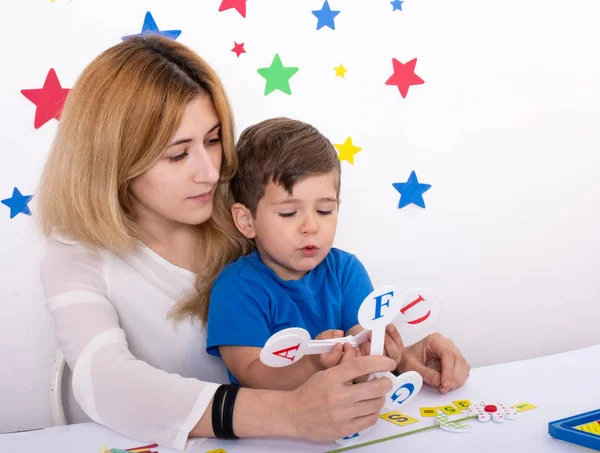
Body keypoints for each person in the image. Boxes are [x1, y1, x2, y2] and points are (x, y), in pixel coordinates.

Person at [36, 34, 470, 451]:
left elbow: (321, 318)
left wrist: (398, 353)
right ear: (114, 160)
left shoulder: (244, 215)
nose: (209, 172)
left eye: (212, 140)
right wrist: (291, 414)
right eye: (177, 153)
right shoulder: (75, 258)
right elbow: (104, 381)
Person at [206, 117, 405, 389]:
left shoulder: (346, 271)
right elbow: (251, 375)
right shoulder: (236, 288)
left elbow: (362, 353)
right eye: (289, 213)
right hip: (271, 428)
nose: (311, 227)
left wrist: (380, 352)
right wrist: (314, 364)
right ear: (246, 220)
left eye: (325, 211)